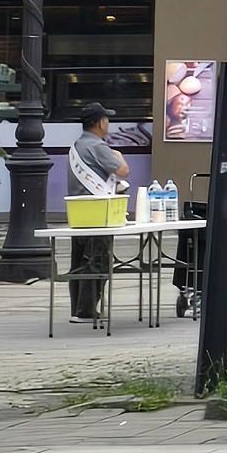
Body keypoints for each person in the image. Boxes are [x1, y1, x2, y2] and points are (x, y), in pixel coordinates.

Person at [64, 104, 129, 324]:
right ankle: (86, 310)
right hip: (99, 213)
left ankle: (77, 308)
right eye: (106, 119)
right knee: (97, 260)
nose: (108, 123)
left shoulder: (77, 146)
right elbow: (122, 170)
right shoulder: (98, 146)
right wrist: (119, 155)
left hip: (79, 213)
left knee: (78, 262)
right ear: (100, 122)